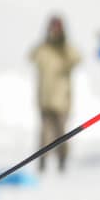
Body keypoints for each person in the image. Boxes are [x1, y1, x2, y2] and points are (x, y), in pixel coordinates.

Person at [28, 14, 81, 172]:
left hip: (62, 98)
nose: (54, 31)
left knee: (61, 133)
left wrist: (63, 44)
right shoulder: (44, 49)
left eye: (57, 27)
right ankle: (42, 162)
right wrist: (46, 42)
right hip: (45, 97)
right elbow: (32, 56)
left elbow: (77, 58)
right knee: (44, 133)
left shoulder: (66, 50)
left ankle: (62, 160)